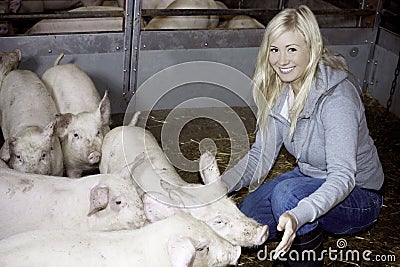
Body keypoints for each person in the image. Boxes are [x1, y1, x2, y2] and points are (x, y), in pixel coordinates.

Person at [220, 5, 384, 266]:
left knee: (287, 196)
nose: (281, 60)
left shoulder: (336, 99)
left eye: (292, 49)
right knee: (248, 214)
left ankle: (304, 258)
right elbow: (260, 156)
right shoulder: (280, 91)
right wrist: (219, 187)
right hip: (310, 177)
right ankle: (298, 227)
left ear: (312, 48)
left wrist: (299, 214)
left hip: (358, 194)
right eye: (274, 50)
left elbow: (342, 177)